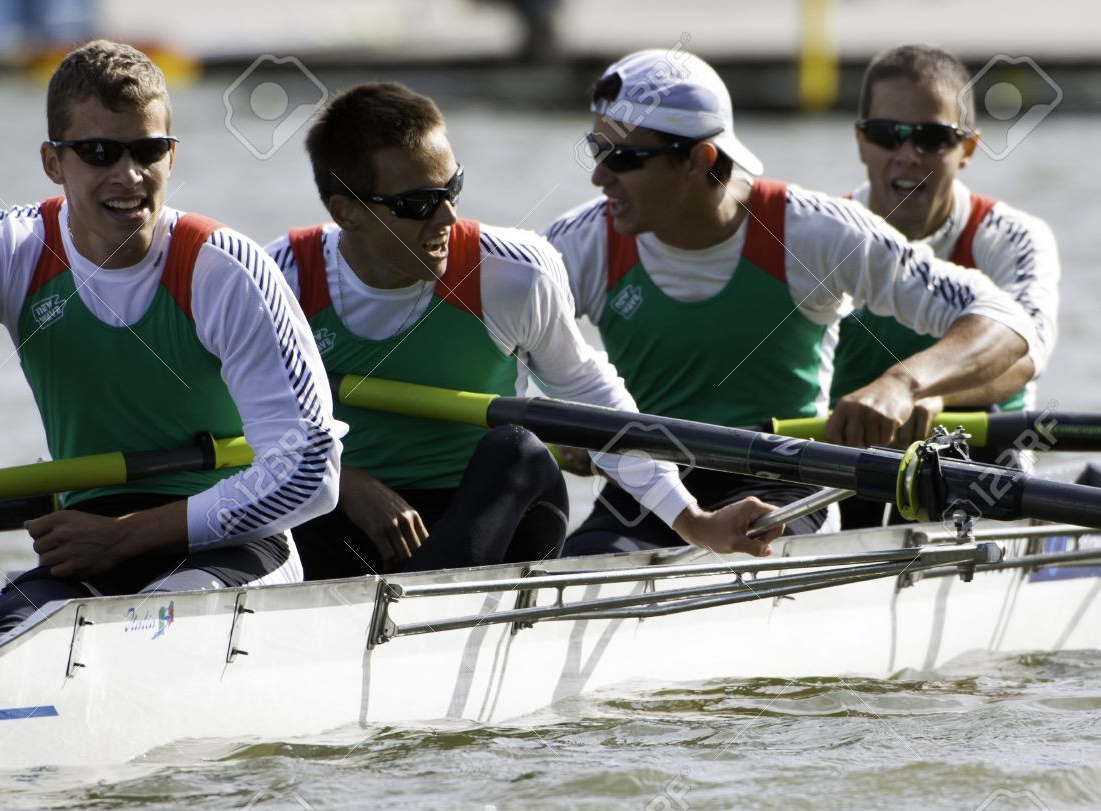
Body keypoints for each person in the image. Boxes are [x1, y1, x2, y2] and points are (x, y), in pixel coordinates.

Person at [0, 41, 343, 646]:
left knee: (146, 636)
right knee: (8, 645)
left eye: (147, 150)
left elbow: (310, 469)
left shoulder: (223, 269)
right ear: (53, 162)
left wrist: (126, 535)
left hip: (234, 541)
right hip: (88, 542)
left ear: (171, 155)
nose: (128, 175)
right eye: (98, 153)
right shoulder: (12, 247)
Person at [266, 82, 782, 580]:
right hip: (348, 517)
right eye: (418, 203)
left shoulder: (512, 274)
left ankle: (420, 605)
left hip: (490, 512)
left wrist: (693, 522)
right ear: (347, 212)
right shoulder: (281, 279)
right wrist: (346, 483)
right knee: (301, 488)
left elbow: (593, 401)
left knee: (518, 449)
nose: (447, 217)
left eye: (452, 189)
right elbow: (244, 425)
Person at [545, 49, 1044, 556]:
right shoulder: (580, 243)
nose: (599, 177)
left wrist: (903, 385)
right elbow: (502, 348)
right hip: (648, 493)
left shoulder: (812, 231)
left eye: (624, 159)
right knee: (571, 562)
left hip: (787, 488)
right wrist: (561, 420)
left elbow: (1005, 320)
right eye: (597, 150)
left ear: (700, 160)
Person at [830, 44, 1060, 526]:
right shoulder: (820, 233)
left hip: (977, 453)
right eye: (887, 135)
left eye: (932, 139)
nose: (907, 156)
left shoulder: (1012, 237)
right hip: (846, 458)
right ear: (861, 142)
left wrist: (927, 394)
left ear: (968, 149)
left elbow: (1026, 354)